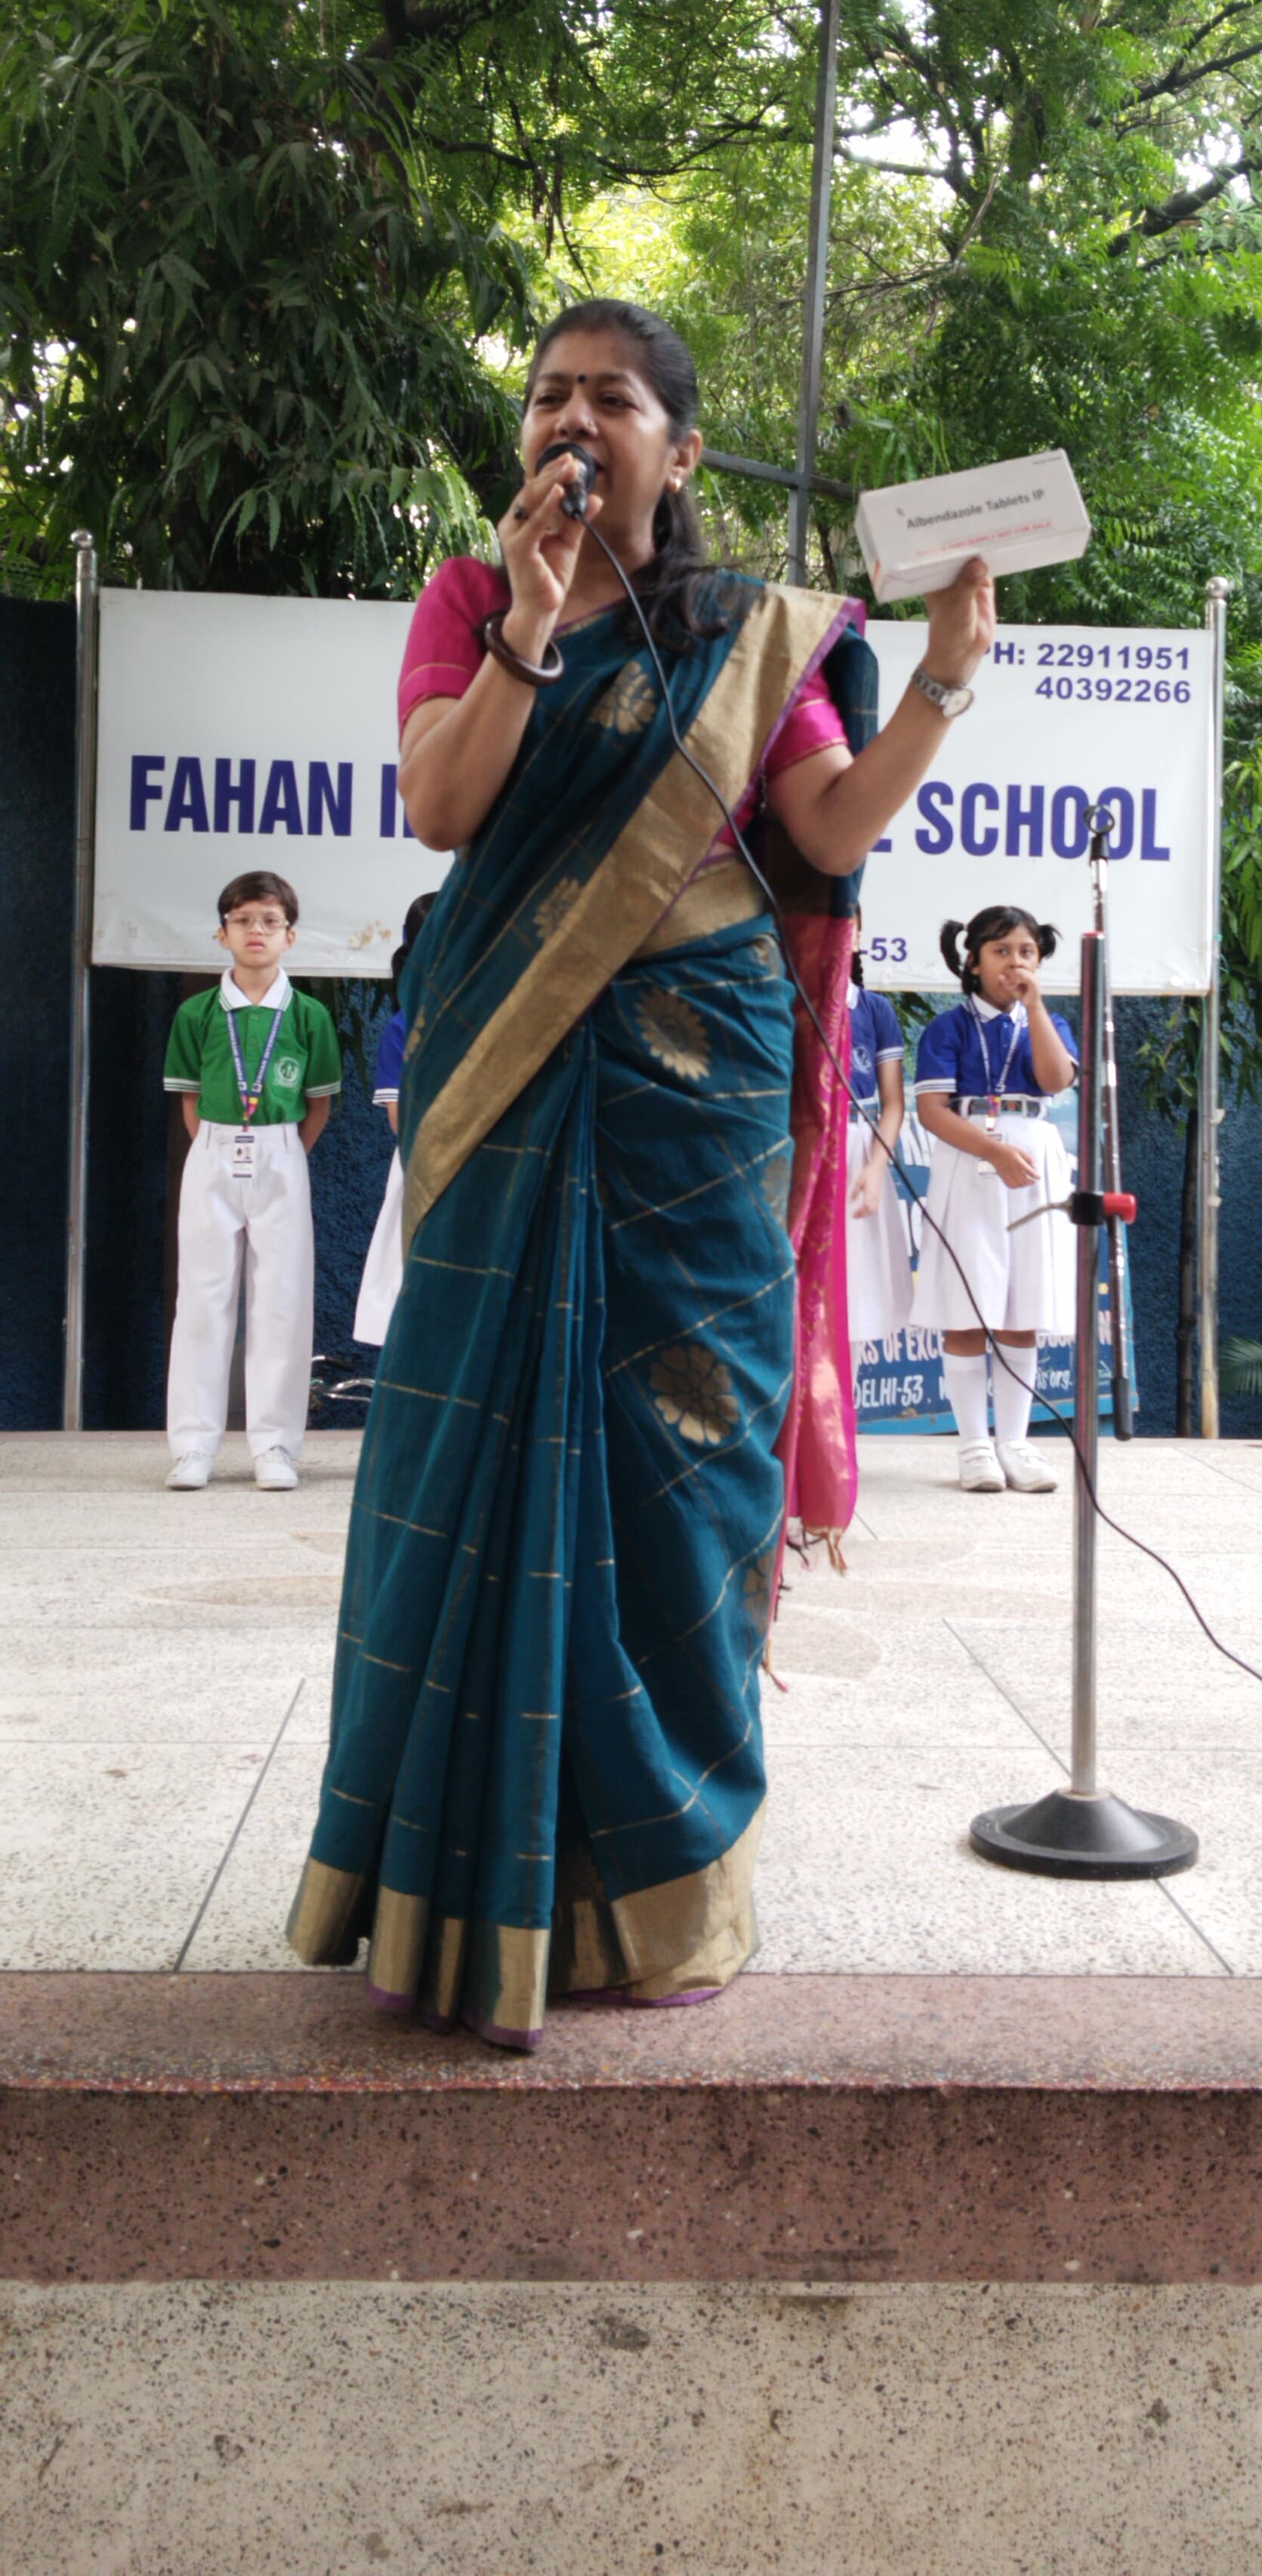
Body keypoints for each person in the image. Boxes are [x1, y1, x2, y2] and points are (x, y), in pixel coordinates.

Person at [287, 297, 994, 2047]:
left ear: (678, 450)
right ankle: (459, 1887)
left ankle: (663, 1881)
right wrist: (529, 620)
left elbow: (826, 830)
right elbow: (443, 809)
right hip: (506, 1073)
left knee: (685, 1475)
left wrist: (941, 679)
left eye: (611, 396)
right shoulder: (470, 597)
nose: (572, 417)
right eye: (549, 394)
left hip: (696, 1102)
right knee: (466, 1450)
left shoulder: (747, 634)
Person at [163, 870, 342, 1492]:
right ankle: (193, 1446)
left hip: (282, 1150)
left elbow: (318, 1104)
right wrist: (216, 1146)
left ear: (290, 935)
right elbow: (189, 1098)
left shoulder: (310, 1015)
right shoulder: (196, 1013)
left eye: (270, 921)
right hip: (213, 1149)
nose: (256, 931)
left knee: (282, 1302)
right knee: (202, 1300)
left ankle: (275, 1445)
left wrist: (283, 1153)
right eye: (242, 920)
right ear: (223, 934)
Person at [909, 905, 1078, 1495]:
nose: (1014, 962)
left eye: (1026, 952)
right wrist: (993, 1151)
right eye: (1001, 951)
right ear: (974, 961)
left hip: (1034, 1153)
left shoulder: (1048, 1022)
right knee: (968, 1301)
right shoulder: (948, 1028)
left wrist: (1036, 1007)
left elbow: (1056, 1081)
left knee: (1020, 1305)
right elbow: (933, 1111)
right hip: (971, 1154)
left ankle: (1015, 1442)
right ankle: (974, 1445)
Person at [353, 893, 439, 1350]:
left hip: (489, 1163)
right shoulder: (402, 1027)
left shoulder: (495, 1015)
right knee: (412, 1277)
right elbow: (398, 1118)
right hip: (423, 1161)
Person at [845, 911, 913, 1381]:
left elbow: (893, 1104)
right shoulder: (788, 1002)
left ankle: (841, 1412)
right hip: (803, 1147)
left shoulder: (875, 1010)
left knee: (855, 1296)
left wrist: (874, 1167)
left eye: (845, 925)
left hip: (859, 1151)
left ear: (857, 935)